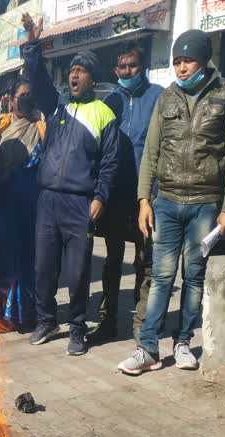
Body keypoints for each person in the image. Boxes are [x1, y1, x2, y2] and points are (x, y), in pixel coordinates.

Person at [117, 30, 225, 375]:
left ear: (203, 60)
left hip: (205, 204)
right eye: (176, 61)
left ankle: (183, 342)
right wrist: (145, 199)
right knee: (160, 276)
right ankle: (148, 349)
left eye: (187, 60)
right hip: (167, 202)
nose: (182, 67)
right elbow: (151, 153)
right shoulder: (167, 98)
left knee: (193, 277)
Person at [30, 50, 120, 356]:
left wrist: (100, 197)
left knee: (78, 272)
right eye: (72, 70)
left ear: (92, 78)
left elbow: (109, 164)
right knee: (43, 267)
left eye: (81, 71)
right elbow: (40, 82)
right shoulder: (58, 108)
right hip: (47, 201)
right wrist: (33, 47)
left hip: (80, 204)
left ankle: (78, 328)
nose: (74, 76)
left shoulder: (103, 114)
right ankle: (46, 320)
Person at [88, 42, 165, 345]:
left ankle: (141, 322)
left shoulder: (159, 97)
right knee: (112, 259)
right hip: (117, 194)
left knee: (145, 261)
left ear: (142, 66)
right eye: (122, 67)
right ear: (115, 70)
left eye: (132, 66)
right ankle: (108, 321)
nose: (127, 71)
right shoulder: (111, 102)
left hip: (148, 195)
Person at [0, 13, 58, 335]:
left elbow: (39, 79)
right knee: (2, 262)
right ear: (11, 100)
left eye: (31, 95)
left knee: (29, 263)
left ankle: (27, 314)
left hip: (32, 207)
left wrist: (32, 43)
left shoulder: (44, 126)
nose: (27, 99)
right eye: (21, 96)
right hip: (3, 207)